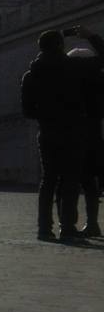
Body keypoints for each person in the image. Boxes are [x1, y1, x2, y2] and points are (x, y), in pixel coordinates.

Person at [21, 26, 104, 241]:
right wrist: (90, 36)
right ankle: (67, 228)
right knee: (70, 180)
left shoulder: (30, 75)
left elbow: (27, 111)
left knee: (48, 180)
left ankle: (44, 229)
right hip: (73, 130)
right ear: (59, 45)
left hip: (47, 131)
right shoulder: (74, 67)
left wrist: (46, 115)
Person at [66, 47, 104, 237]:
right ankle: (92, 223)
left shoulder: (70, 83)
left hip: (74, 137)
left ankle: (69, 224)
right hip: (94, 137)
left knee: (70, 182)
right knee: (90, 183)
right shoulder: (99, 81)